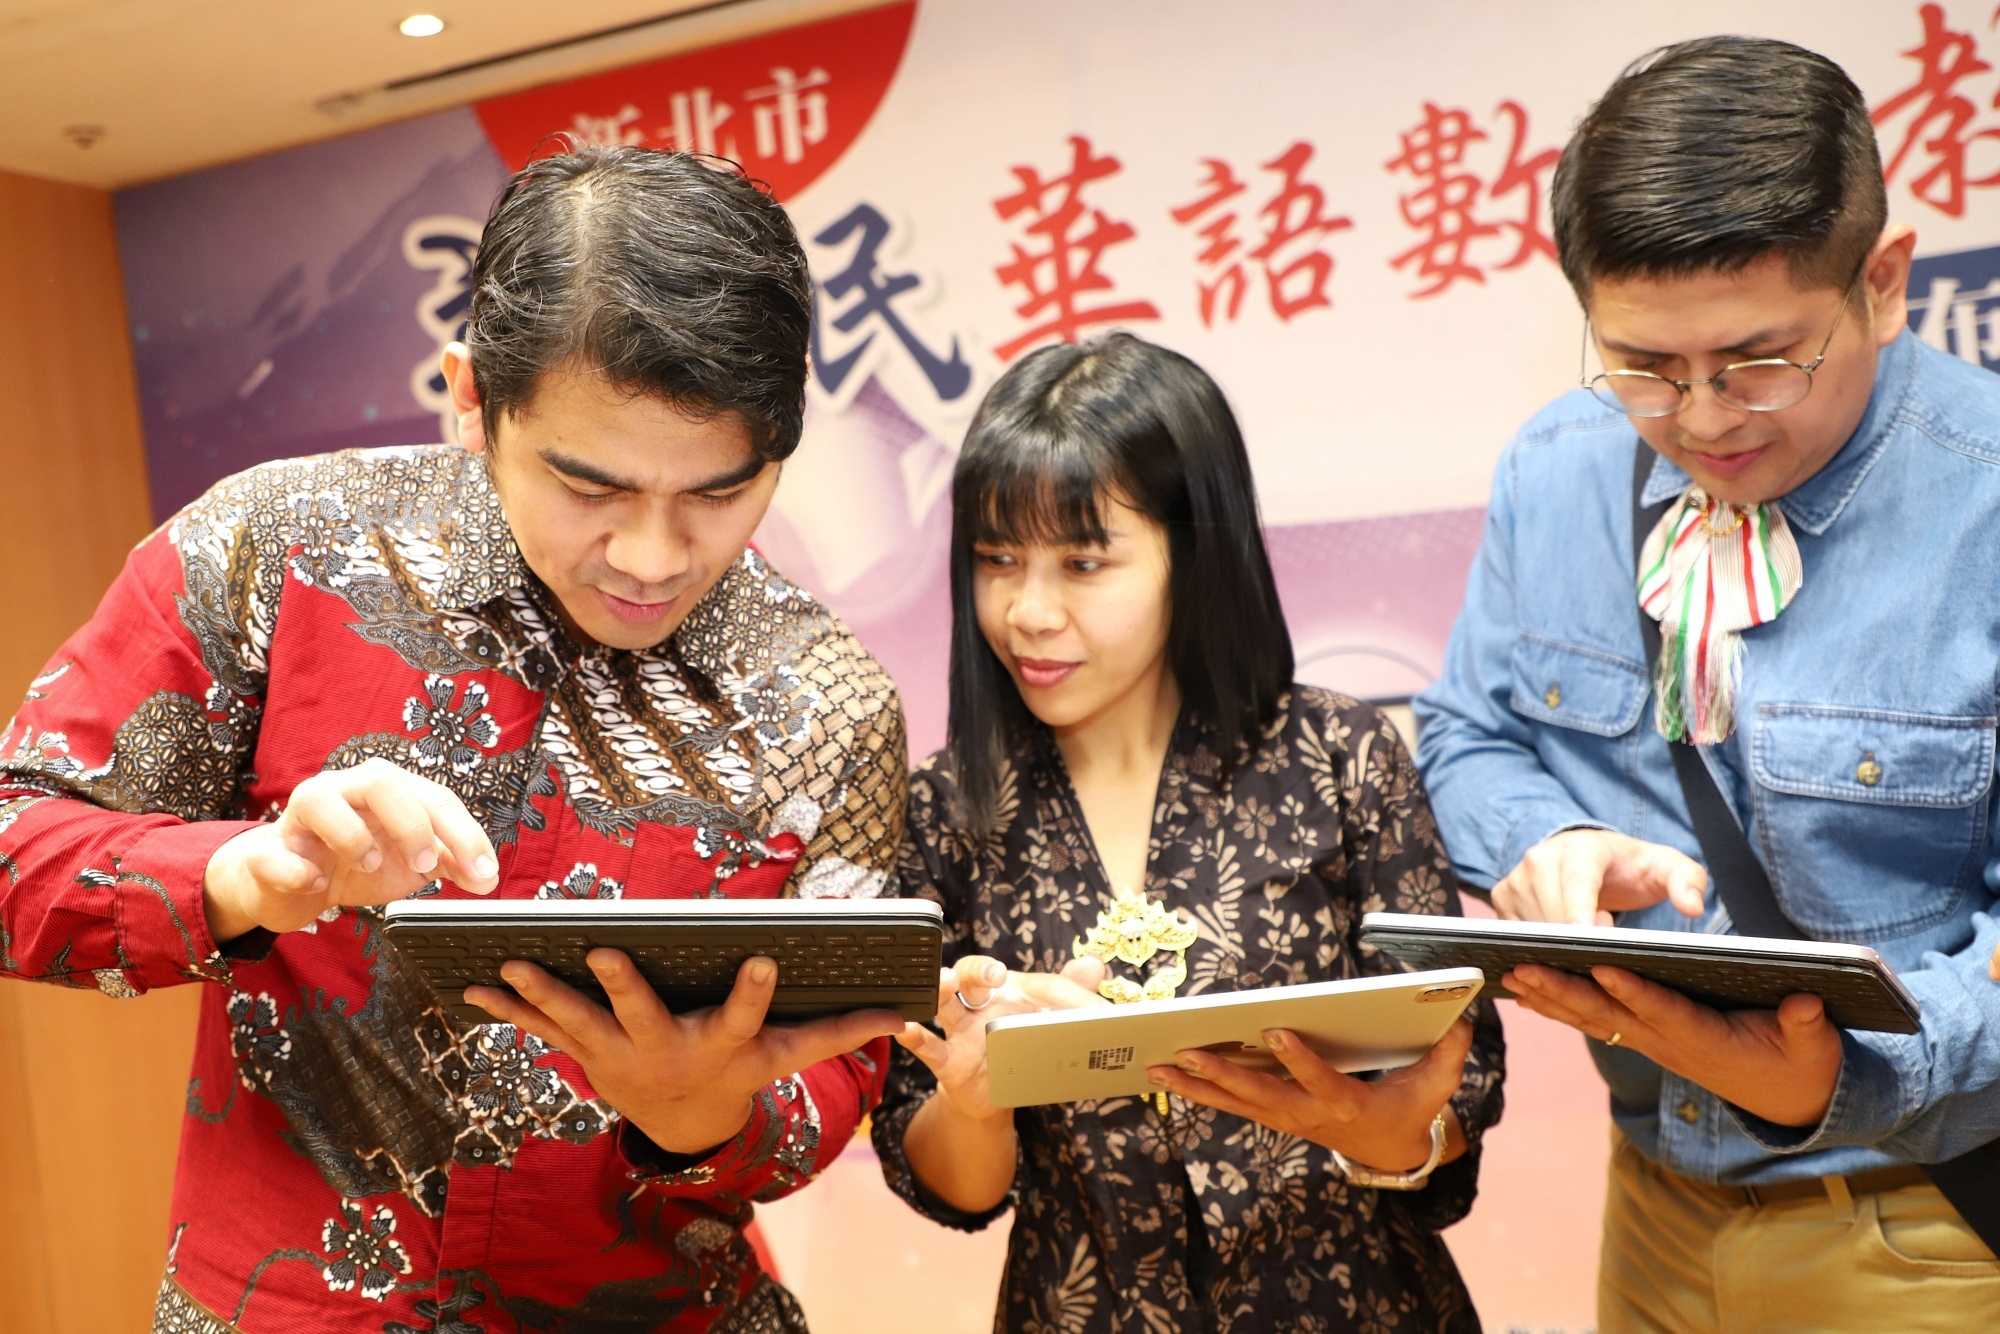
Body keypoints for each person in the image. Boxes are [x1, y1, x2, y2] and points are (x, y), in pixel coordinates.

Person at [0, 145, 909, 1332]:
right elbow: (15, 846)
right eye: (590, 489)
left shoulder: (828, 700)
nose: (651, 556)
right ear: (473, 396)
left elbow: (840, 1067)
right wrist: (242, 874)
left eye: (717, 493)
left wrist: (702, 1112)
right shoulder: (280, 549)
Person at [1412, 35, 2000, 1328]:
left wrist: (1838, 1073)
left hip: (1923, 1217)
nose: (1702, 418)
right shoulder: (1558, 470)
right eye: (1643, 366)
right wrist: (1543, 840)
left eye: (1757, 360)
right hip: (1654, 1203)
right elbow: (1463, 734)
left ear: (1883, 282)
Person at [870, 332, 1506, 1332]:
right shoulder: (946, 811)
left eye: (1084, 563)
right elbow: (955, 1184)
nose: (1027, 610)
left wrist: (1379, 1126)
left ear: (1192, 557)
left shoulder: (1341, 756)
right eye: (997, 560)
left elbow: (1455, 1084)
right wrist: (975, 1098)